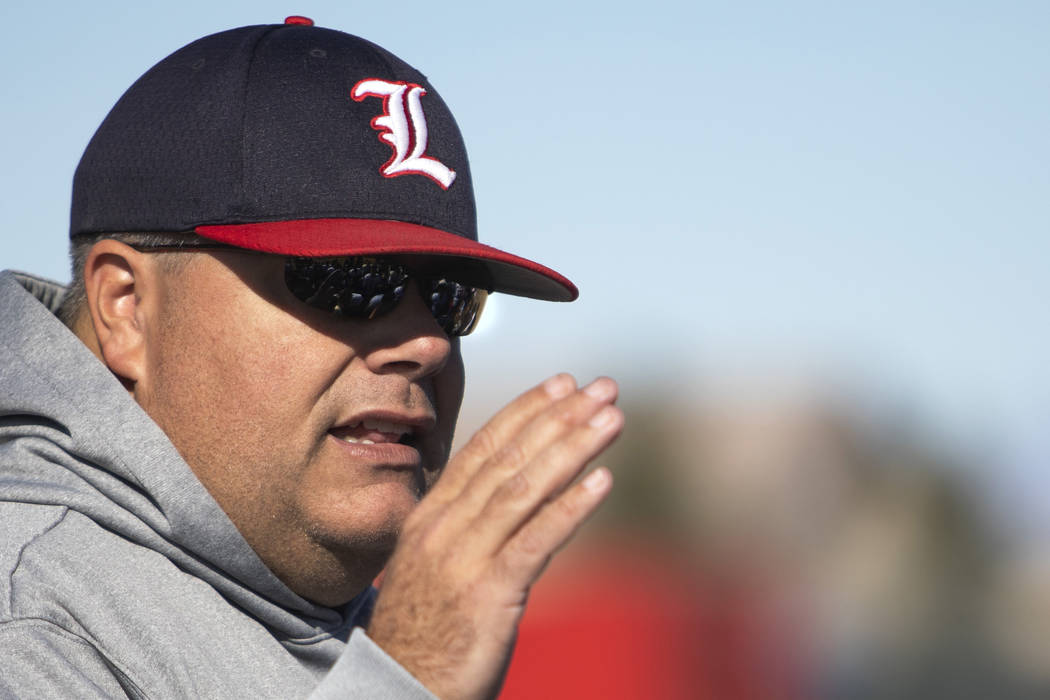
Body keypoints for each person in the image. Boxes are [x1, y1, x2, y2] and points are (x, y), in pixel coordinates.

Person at [0, 16, 623, 699]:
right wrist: (408, 677)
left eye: (451, 297)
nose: (429, 343)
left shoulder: (306, 607)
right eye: (347, 279)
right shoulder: (29, 628)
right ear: (127, 308)